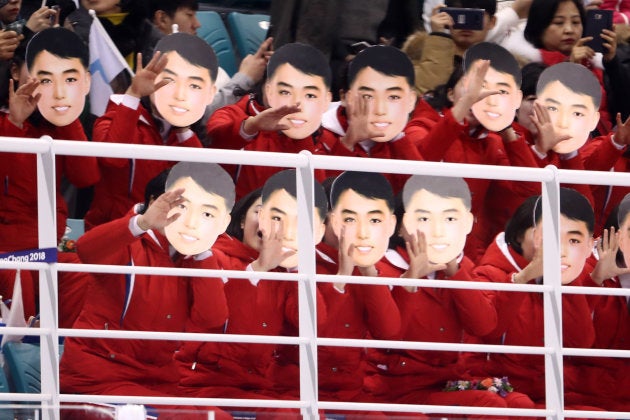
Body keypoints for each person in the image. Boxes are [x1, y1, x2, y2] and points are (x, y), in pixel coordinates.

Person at [60, 161, 233, 420]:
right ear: (155, 201)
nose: (192, 219)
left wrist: (203, 249)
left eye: (205, 212)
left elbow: (212, 318)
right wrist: (141, 222)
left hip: (158, 382)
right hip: (99, 379)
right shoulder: (128, 239)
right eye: (182, 206)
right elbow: (86, 249)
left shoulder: (194, 256)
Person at [366, 174, 535, 414]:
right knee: (488, 405)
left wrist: (455, 271)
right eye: (424, 218)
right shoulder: (382, 268)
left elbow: (483, 325)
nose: (438, 230)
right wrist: (411, 278)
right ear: (400, 227)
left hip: (447, 381)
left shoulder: (458, 266)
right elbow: (389, 334)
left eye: (449, 219)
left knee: (521, 405)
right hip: (397, 387)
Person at [174, 169, 327, 418]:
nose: (271, 224)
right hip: (198, 383)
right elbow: (217, 316)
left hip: (255, 387)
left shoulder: (287, 272)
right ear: (242, 220)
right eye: (261, 211)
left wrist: (297, 264)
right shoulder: (209, 256)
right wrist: (259, 268)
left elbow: (312, 325)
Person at [470, 189, 600, 411]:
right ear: (520, 235)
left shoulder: (556, 275)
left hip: (540, 389)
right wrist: (523, 278)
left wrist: (570, 278)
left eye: (571, 239)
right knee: (523, 406)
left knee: (592, 414)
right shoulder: (488, 274)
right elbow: (489, 330)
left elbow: (581, 342)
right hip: (491, 384)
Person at [84, 32, 218, 230]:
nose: (180, 94)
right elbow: (112, 160)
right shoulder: (116, 115)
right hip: (115, 233)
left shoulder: (186, 133)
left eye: (193, 85)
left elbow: (200, 183)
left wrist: (184, 127)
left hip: (167, 236)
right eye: (169, 80)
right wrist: (134, 93)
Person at [0, 27, 99, 252]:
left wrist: (67, 115)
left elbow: (85, 177)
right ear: (15, 71)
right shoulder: (4, 118)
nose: (53, 85)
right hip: (9, 251)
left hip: (47, 243)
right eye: (43, 75)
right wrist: (14, 123)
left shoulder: (58, 123)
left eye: (63, 76)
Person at [313, 171, 401, 414]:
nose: (360, 229)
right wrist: (342, 275)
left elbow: (388, 332)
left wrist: (368, 269)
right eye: (349, 219)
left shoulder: (371, 267)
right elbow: (319, 330)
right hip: (302, 386)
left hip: (352, 390)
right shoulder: (300, 262)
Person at [233, 42, 336, 199]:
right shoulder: (234, 117)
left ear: (327, 100)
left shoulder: (329, 141)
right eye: (285, 92)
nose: (297, 104)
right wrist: (251, 127)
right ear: (269, 91)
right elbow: (219, 136)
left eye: (310, 95)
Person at [321, 45, 424, 194]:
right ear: (344, 97)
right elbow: (320, 200)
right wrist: (348, 142)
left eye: (393, 97)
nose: (380, 110)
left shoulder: (398, 139)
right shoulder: (318, 135)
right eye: (368, 97)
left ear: (411, 100)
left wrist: (400, 139)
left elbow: (423, 193)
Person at [565, 198, 630, 411]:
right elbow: (568, 336)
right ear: (614, 234)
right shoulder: (577, 266)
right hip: (580, 391)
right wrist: (597, 278)